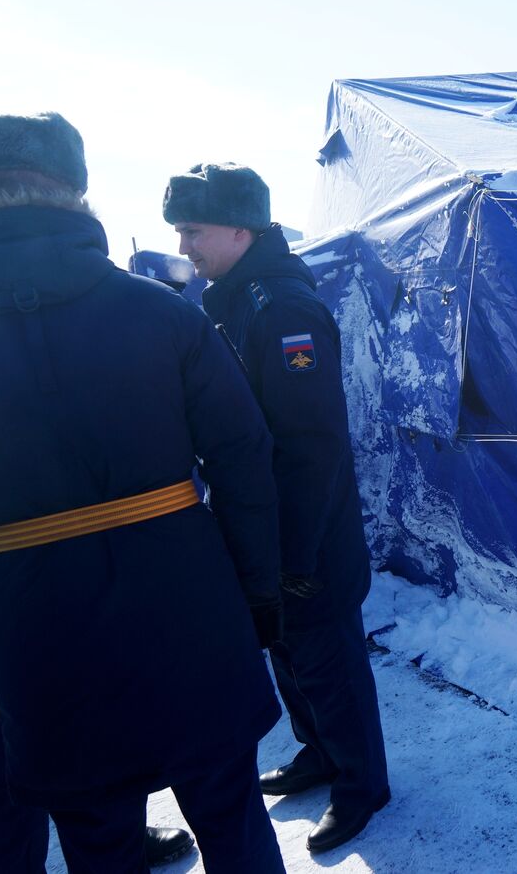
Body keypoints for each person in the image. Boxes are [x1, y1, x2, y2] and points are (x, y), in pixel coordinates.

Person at [0, 112, 286, 873]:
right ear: (78, 193)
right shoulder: (164, 314)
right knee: (232, 817)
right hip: (191, 608)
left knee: (98, 841)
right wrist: (256, 597)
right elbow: (245, 458)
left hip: (37, 633)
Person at [164, 162, 389, 854]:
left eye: (193, 230)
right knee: (290, 653)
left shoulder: (280, 309)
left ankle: (361, 783)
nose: (183, 247)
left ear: (242, 227)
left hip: (306, 531)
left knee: (329, 658)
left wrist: (291, 553)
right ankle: (317, 752)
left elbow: (311, 447)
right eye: (178, 231)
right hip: (267, 527)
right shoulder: (234, 300)